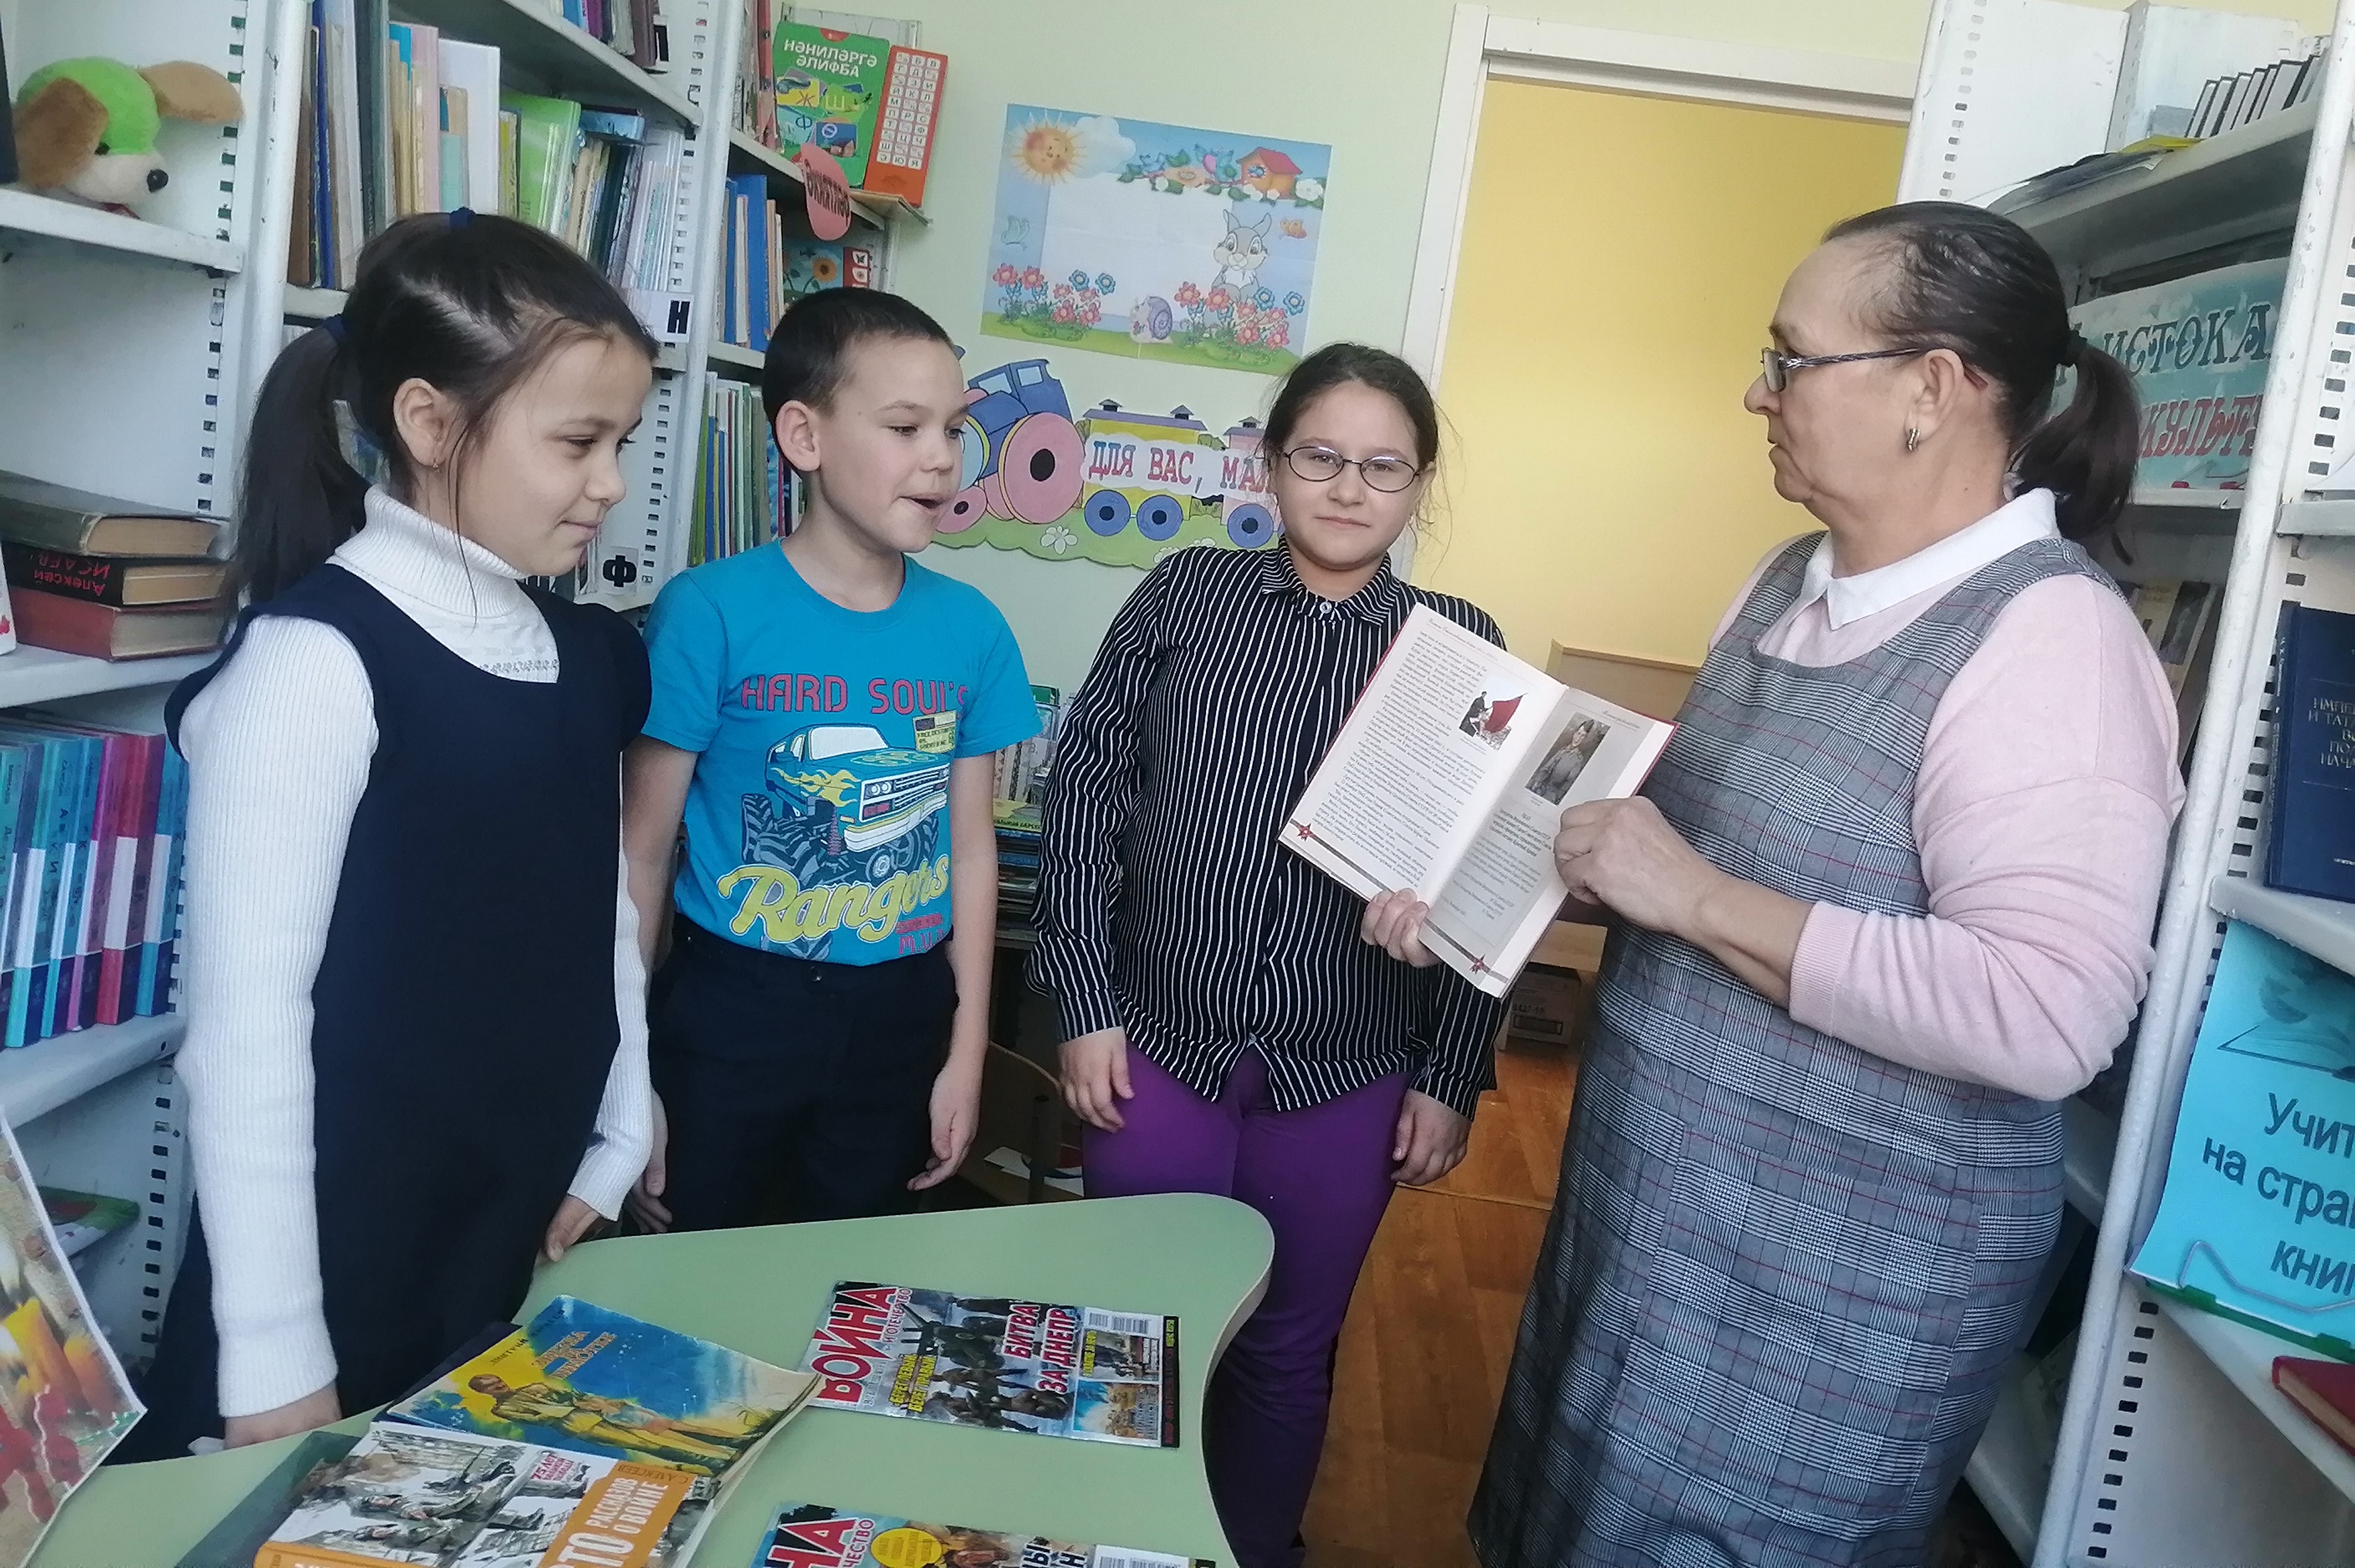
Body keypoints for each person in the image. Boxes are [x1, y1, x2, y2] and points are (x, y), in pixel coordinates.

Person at [1457, 202, 2182, 1565]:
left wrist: (1689, 895)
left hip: (1825, 1314)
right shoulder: (1784, 580)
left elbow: (2048, 1013)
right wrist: (1584, 869)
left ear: (1930, 389)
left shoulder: (2055, 644)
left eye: (1788, 360)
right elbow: (1707, 865)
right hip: (1643, 1241)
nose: (1758, 393)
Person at [120, 211, 659, 1461]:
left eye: (622, 442)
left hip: (505, 1223)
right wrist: (274, 1355)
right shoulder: (315, 664)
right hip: (333, 1260)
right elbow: (245, 1032)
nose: (612, 482)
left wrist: (620, 1123)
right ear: (428, 423)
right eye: (577, 441)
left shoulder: (587, 655)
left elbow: (599, 912)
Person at [1031, 342, 1507, 1567]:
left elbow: (1490, 879)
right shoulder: (1186, 592)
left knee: (1288, 1350)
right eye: (1321, 457)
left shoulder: (1460, 647)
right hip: (1157, 1044)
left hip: (1344, 1065)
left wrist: (1451, 1076)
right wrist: (1082, 1001)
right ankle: (1112, 1548)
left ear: (1421, 484)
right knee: (1134, 1336)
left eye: (1384, 467)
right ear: (1270, 463)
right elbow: (1084, 796)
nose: (1349, 488)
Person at [623, 290, 1039, 1233]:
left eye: (952, 429)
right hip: (731, 1010)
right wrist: (627, 1067)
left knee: (851, 1277)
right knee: (689, 1262)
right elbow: (640, 854)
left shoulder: (972, 629)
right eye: (904, 427)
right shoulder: (709, 611)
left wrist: (965, 1049)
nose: (941, 457)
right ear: (804, 436)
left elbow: (972, 851)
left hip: (901, 1015)